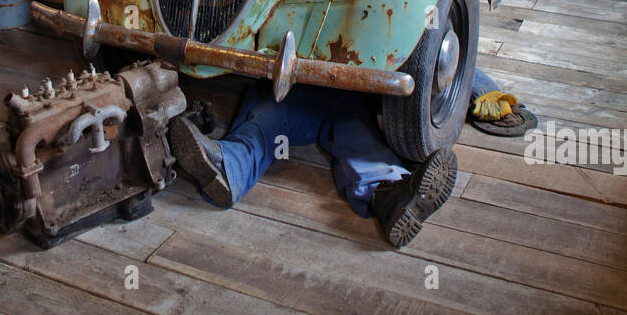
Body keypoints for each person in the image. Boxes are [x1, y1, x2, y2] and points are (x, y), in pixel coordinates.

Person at [170, 81, 458, 249]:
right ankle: (384, 189)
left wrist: (480, 90)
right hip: (305, 84)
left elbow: (440, 46)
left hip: (353, 87)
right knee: (277, 113)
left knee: (278, 116)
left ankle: (389, 196)